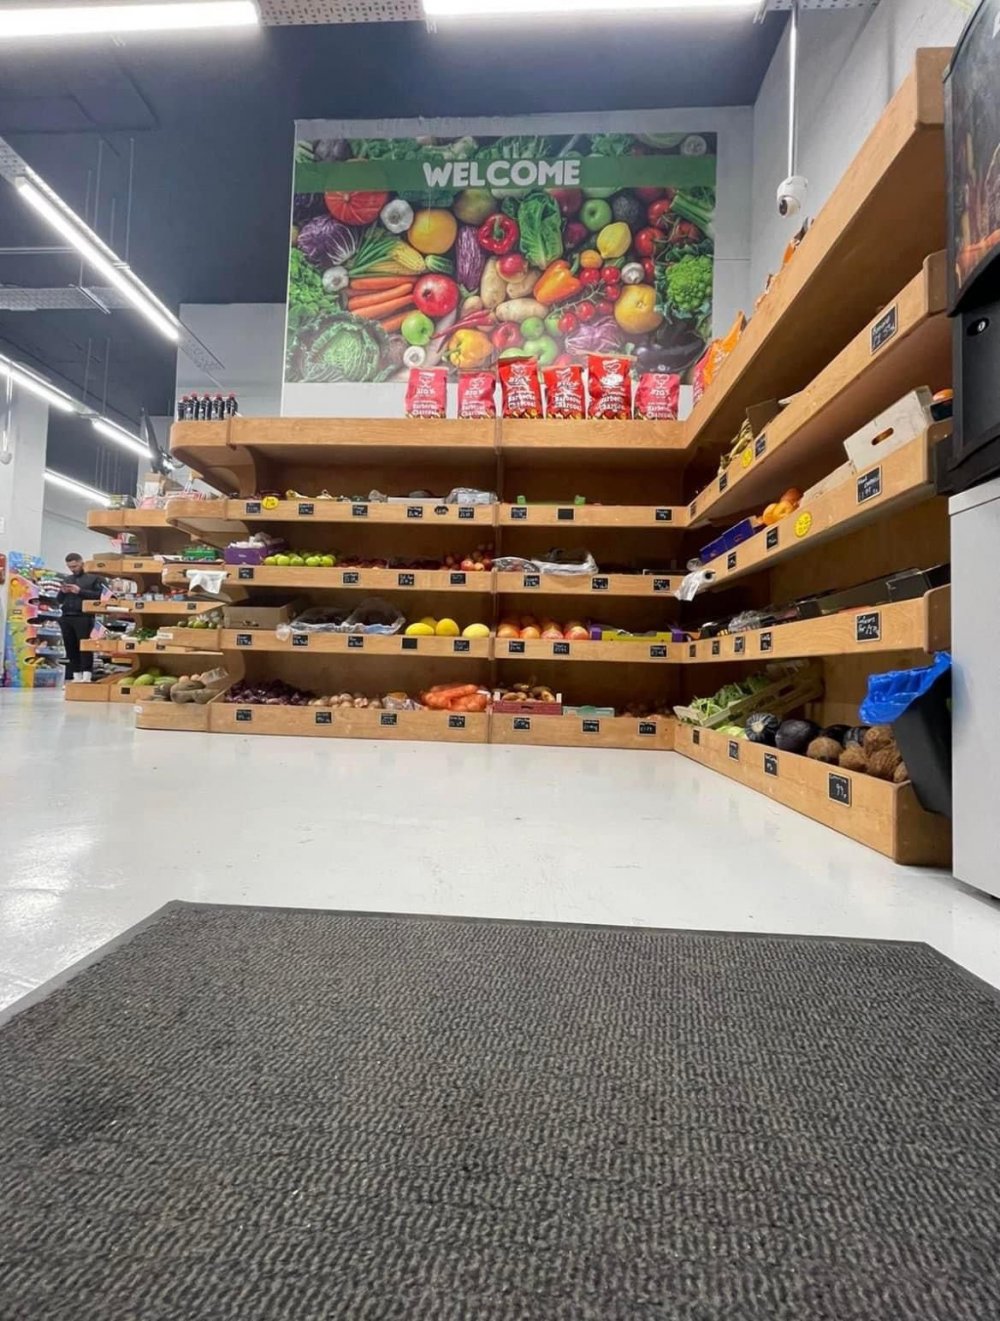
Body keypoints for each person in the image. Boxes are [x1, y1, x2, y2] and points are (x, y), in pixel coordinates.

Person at [57, 554, 106, 682]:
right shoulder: (68, 579)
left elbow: (102, 596)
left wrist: (80, 591)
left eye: (75, 566)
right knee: (70, 646)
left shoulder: (94, 578)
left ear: (81, 562)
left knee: (85, 646)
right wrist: (62, 592)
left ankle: (87, 675)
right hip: (66, 616)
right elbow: (59, 600)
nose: (73, 569)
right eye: (70, 567)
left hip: (84, 616)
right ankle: (76, 675)